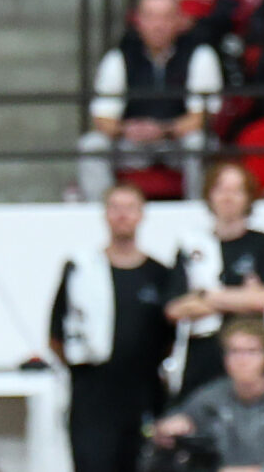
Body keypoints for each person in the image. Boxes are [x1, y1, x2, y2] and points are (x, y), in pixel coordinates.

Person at [50, 181, 184, 472]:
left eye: (129, 208)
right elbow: (56, 335)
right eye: (115, 208)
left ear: (141, 214)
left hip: (143, 396)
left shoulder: (159, 274)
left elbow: (171, 339)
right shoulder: (81, 269)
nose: (122, 215)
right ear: (105, 214)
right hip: (92, 400)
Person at [78, 0, 222, 203]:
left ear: (179, 20)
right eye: (151, 17)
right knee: (91, 145)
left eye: (166, 17)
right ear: (138, 20)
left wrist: (164, 130)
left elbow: (202, 117)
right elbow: (102, 119)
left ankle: (199, 212)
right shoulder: (119, 57)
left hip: (177, 143)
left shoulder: (199, 55)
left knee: (198, 143)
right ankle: (101, 213)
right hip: (132, 144)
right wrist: (128, 130)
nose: (158, 25)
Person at [171, 160, 264, 393]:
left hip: (248, 351)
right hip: (202, 352)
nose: (228, 197)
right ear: (209, 195)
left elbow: (260, 299)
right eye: (221, 189)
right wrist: (239, 298)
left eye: (236, 190)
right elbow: (176, 308)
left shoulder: (263, 244)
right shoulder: (192, 246)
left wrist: (204, 294)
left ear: (248, 197)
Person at [152, 315, 264, 472]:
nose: (242, 360)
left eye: (251, 351)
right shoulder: (212, 397)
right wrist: (168, 429)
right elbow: (176, 420)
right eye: (235, 351)